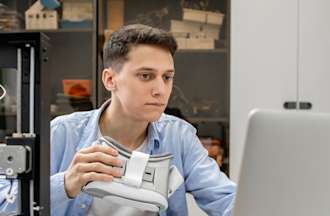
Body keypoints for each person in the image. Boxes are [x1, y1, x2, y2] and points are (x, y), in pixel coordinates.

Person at [0, 24, 236, 216]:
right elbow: (4, 202)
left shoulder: (179, 136)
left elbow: (226, 199)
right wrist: (65, 184)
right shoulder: (63, 133)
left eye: (167, 77)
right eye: (146, 76)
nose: (160, 90)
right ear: (110, 80)